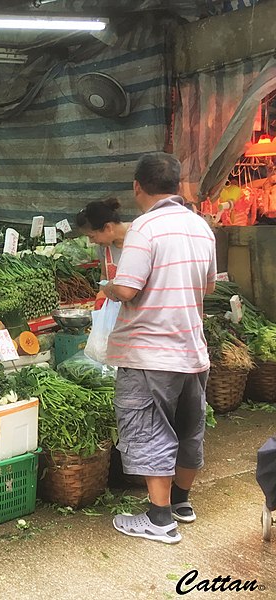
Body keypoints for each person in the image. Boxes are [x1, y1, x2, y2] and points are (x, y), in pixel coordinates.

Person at [101, 153, 216, 545]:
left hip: (150, 350)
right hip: (191, 348)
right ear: (178, 185)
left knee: (149, 429)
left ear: (137, 187)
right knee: (188, 429)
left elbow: (128, 288)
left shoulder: (145, 228)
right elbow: (210, 287)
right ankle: (181, 503)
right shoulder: (201, 227)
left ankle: (158, 518)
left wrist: (109, 287)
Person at [75, 198, 130, 282]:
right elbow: (104, 275)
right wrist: (101, 294)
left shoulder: (141, 235)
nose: (91, 241)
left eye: (91, 236)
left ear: (108, 228)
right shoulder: (103, 248)